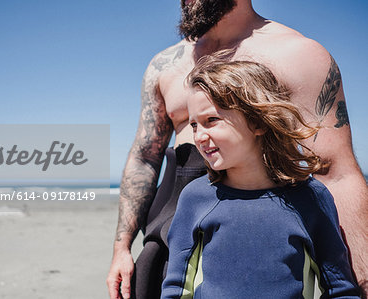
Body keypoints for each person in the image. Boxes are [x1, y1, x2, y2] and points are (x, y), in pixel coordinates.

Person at [107, 1, 368, 298]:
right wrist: (122, 248)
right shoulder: (164, 65)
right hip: (171, 227)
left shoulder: (298, 55)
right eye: (194, 124)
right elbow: (145, 156)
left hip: (270, 212)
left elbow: (336, 172)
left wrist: (364, 277)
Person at [161, 57, 360, 298]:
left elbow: (341, 289)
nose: (199, 137)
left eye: (211, 120)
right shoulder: (195, 198)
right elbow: (175, 289)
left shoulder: (311, 198)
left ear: (257, 122)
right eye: (194, 125)